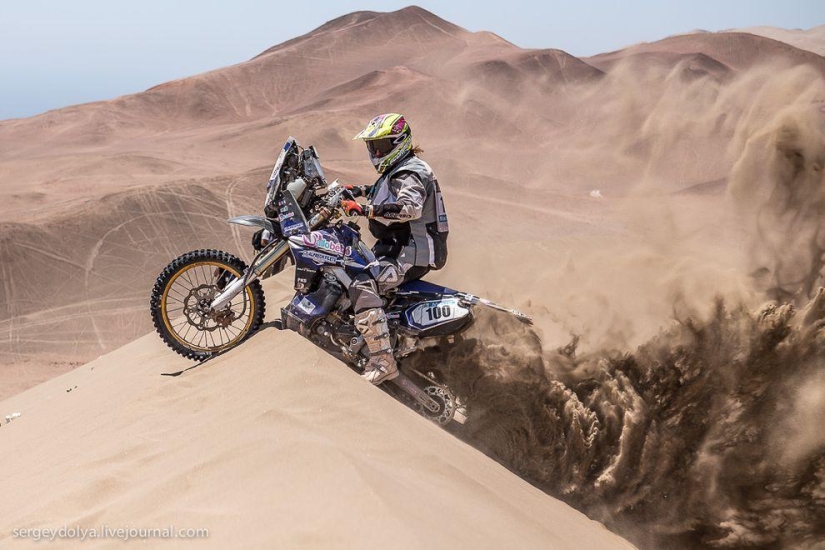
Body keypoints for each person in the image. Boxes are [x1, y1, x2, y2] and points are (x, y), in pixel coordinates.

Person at [341, 113, 450, 385]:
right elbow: (386, 190)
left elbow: (409, 207)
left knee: (362, 284)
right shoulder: (399, 168)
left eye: (383, 146)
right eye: (373, 146)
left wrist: (366, 209)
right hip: (395, 249)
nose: (376, 152)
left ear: (399, 142)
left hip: (412, 252)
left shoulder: (412, 171)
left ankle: (383, 361)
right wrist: (358, 190)